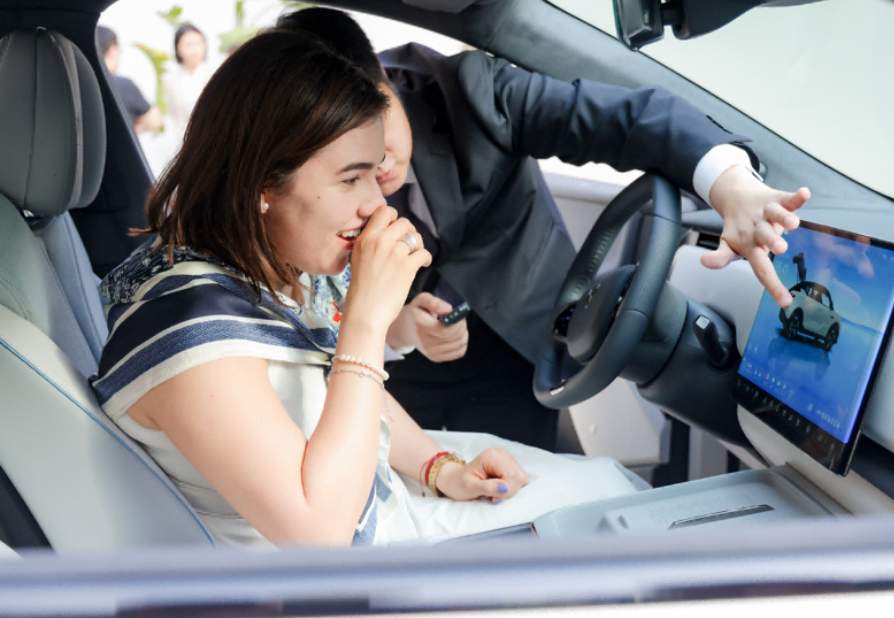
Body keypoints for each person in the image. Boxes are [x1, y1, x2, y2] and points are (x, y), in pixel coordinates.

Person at [91, 29, 642, 548]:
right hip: (354, 567)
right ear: (261, 183)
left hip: (385, 504)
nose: (376, 205)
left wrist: (437, 466)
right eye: (351, 178)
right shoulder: (191, 332)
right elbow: (322, 537)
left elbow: (343, 395)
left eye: (374, 176)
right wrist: (367, 321)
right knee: (616, 508)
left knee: (611, 487)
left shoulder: (273, 270)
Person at [276, 9, 810, 451]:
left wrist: (728, 184)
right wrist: (399, 329)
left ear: (386, 78)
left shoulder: (470, 90)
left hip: (520, 341)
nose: (377, 168)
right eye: (351, 168)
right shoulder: (297, 188)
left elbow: (628, 119)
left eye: (379, 129)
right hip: (392, 365)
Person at [96, 26, 161, 134]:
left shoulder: (83, 85)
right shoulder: (124, 85)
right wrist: (138, 125)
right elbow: (155, 121)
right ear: (113, 50)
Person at [163, 22, 215, 145]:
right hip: (183, 139)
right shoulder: (170, 80)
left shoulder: (215, 73)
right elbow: (173, 116)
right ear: (178, 48)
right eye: (188, 44)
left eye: (198, 43)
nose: (194, 49)